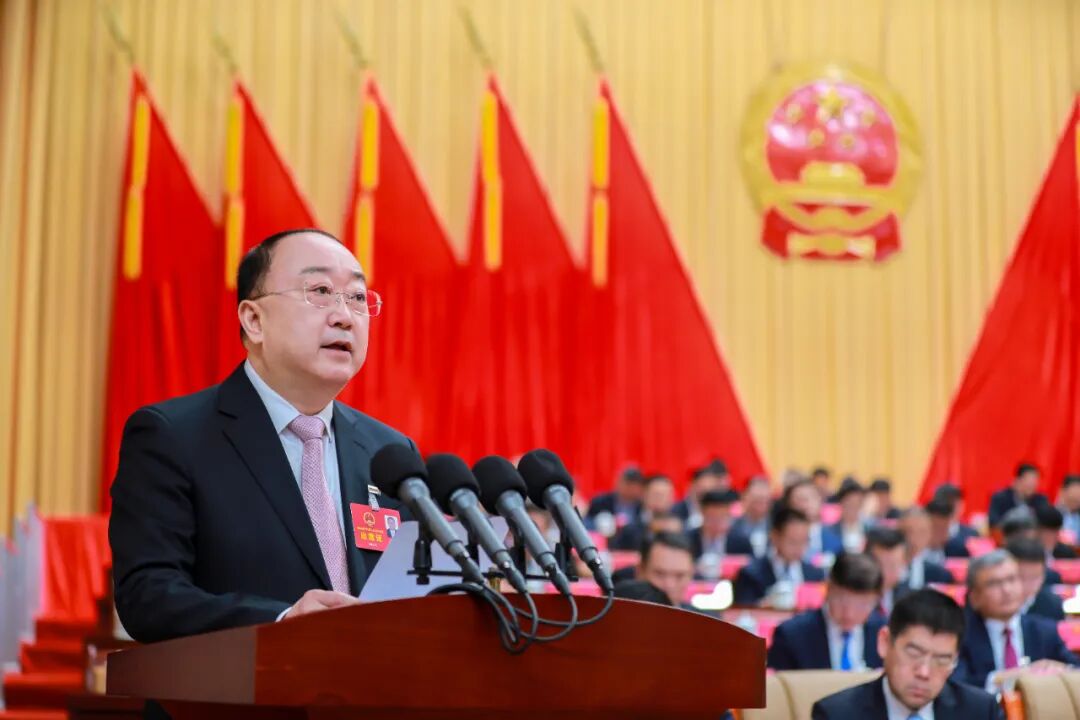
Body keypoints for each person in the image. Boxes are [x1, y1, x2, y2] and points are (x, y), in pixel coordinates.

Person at [109, 229, 413, 643]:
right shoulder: (172, 437)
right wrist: (282, 621)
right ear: (254, 320)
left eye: (358, 297)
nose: (345, 316)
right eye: (321, 291)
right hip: (236, 681)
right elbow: (148, 596)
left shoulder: (389, 453)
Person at [812, 589, 1003, 720]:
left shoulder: (981, 711)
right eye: (914, 653)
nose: (924, 672)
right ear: (885, 642)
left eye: (942, 660)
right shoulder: (836, 715)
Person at [954, 550, 1076, 691]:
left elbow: (1075, 670)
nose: (1006, 590)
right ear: (974, 597)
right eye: (994, 583)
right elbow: (957, 685)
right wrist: (1007, 678)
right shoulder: (961, 635)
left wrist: (1061, 670)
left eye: (1011, 579)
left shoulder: (1044, 630)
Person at [767, 552, 885, 671]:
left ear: (877, 599)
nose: (849, 613)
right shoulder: (791, 635)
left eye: (862, 605)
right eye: (842, 600)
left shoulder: (883, 633)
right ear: (827, 589)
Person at [733, 507, 825, 605]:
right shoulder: (752, 574)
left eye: (804, 541)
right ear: (775, 537)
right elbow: (744, 609)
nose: (799, 548)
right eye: (793, 541)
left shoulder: (815, 575)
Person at [1006, 537, 1065, 621]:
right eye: (1020, 577)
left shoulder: (1052, 605)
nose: (1027, 585)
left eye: (1034, 577)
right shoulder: (994, 604)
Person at [783, 478, 844, 559]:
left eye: (811, 497)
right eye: (800, 499)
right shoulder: (780, 540)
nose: (807, 503)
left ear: (820, 500)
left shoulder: (837, 536)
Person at [687, 490, 752, 563]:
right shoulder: (688, 539)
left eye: (722, 517)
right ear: (702, 513)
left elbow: (752, 565)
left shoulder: (740, 542)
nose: (717, 522)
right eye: (712, 517)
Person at [636, 532, 696, 607]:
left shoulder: (701, 615)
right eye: (660, 574)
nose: (669, 585)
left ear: (691, 574)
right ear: (640, 571)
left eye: (679, 576)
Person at [899, 508, 954, 589]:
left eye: (922, 532)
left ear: (930, 535)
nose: (914, 539)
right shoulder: (886, 571)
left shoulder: (939, 576)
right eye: (908, 532)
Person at [865, 526, 910, 617]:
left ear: (904, 563)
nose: (884, 572)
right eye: (879, 564)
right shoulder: (852, 596)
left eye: (892, 566)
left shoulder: (908, 599)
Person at [988, 463, 1049, 528]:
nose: (1032, 484)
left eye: (1035, 480)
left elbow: (1046, 523)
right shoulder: (1000, 498)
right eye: (1029, 480)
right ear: (1017, 480)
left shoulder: (1041, 501)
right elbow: (994, 523)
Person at [585, 465, 645, 531]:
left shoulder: (643, 507)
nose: (630, 488)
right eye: (627, 483)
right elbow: (586, 523)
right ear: (617, 482)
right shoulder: (600, 503)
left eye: (634, 484)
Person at [673, 458, 728, 529]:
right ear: (693, 484)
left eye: (711, 485)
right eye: (703, 485)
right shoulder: (676, 511)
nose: (707, 489)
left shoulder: (718, 511)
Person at [729, 475, 773, 557]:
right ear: (744, 497)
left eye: (765, 501)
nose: (760, 506)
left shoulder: (776, 527)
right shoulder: (731, 526)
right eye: (757, 500)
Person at [828, 477, 868, 553]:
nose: (853, 507)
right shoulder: (829, 531)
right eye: (849, 503)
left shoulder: (869, 529)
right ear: (841, 503)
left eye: (857, 503)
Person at [925, 497, 970, 562]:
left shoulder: (958, 552)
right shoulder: (913, 554)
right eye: (936, 528)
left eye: (945, 529)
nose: (941, 534)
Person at [1057, 474, 1080, 539]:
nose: (1076, 497)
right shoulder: (1052, 514)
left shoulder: (1077, 518)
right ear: (1062, 491)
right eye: (1074, 492)